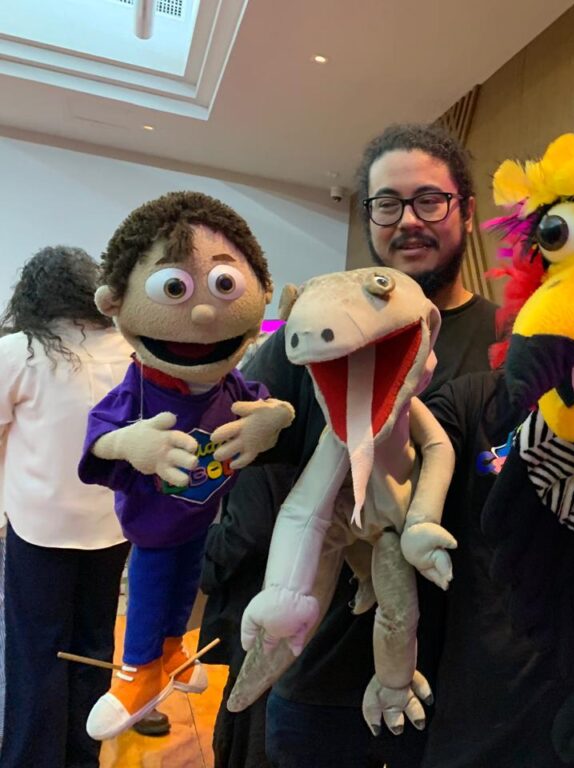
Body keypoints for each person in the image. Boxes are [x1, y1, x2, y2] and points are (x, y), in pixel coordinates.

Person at [199, 122, 497, 768]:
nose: (408, 220)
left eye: (430, 200)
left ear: (468, 212)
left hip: (453, 684)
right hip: (319, 677)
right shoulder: (318, 329)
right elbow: (221, 432)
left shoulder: (506, 341)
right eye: (387, 203)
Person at [0, 246, 133, 768]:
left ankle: (32, 758)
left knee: (36, 651)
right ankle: (83, 756)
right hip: (112, 526)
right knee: (94, 645)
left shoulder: (20, 351)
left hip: (40, 527)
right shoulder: (130, 348)